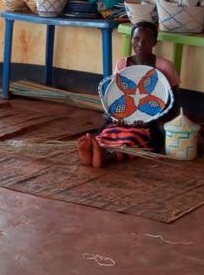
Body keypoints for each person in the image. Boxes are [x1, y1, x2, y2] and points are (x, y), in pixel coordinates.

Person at [77, 20, 180, 166]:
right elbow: (117, 97)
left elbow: (174, 104)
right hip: (125, 117)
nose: (140, 44)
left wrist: (151, 120)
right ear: (131, 39)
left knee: (134, 137)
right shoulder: (122, 64)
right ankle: (95, 150)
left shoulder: (164, 66)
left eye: (146, 40)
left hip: (153, 121)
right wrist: (115, 116)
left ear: (154, 43)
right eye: (136, 39)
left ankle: (106, 157)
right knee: (111, 131)